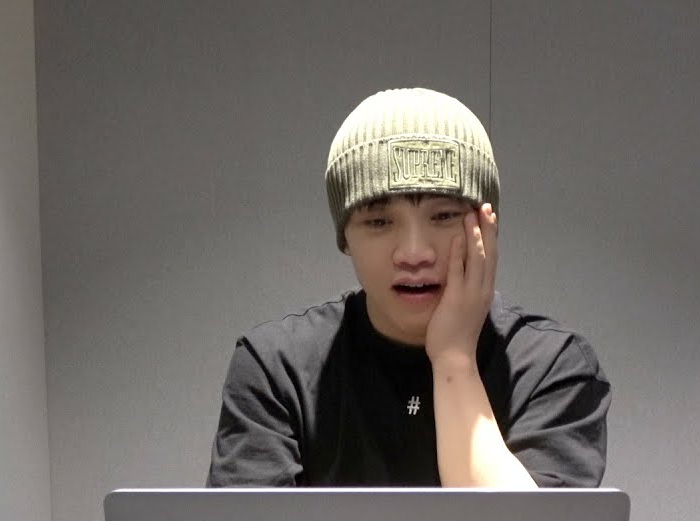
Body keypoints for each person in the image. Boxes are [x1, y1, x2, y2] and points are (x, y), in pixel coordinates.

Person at [206, 87, 610, 488]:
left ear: (488, 228)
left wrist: (454, 360)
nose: (414, 253)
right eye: (379, 222)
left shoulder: (552, 367)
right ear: (345, 238)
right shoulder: (277, 368)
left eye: (445, 215)